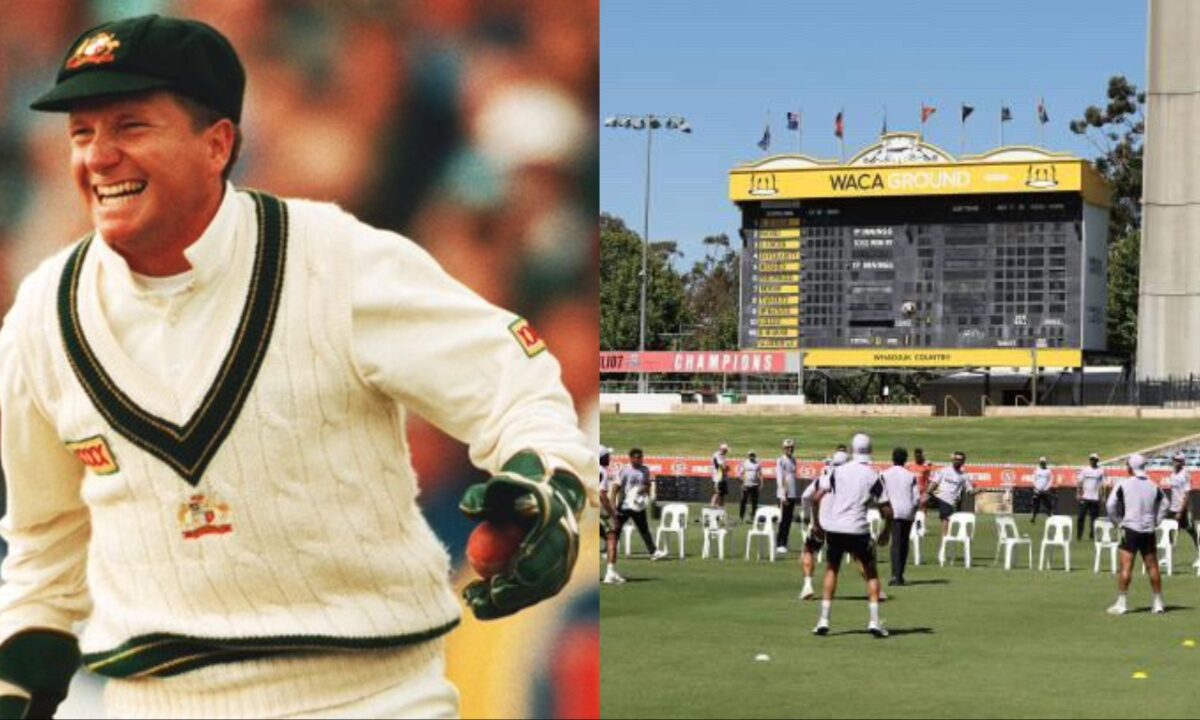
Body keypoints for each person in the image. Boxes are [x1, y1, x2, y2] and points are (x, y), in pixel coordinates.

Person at [0, 14, 591, 720]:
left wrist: (548, 488)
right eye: (81, 133)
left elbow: (512, 378)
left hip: (362, 700)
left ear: (218, 143)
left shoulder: (336, 263)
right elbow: (43, 545)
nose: (98, 157)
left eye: (130, 127)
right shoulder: (43, 312)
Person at [809, 434, 892, 638]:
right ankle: (874, 621)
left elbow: (815, 497)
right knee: (871, 572)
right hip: (858, 529)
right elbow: (886, 509)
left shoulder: (837, 471)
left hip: (835, 528)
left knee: (831, 569)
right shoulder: (873, 475)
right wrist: (886, 530)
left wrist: (817, 524)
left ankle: (823, 620)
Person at [1105, 454, 1168, 615]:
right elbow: (1165, 503)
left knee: (1126, 567)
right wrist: (1156, 521)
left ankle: (1122, 603)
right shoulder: (1153, 485)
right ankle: (1158, 602)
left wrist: (1118, 521)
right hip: (1148, 530)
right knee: (1152, 567)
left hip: (1130, 530)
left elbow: (1110, 505)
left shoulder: (1123, 484)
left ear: (1130, 467)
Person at [614, 448, 669, 562]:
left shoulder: (645, 470)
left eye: (641, 457)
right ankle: (609, 550)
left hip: (638, 504)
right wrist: (615, 503)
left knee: (644, 528)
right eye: (637, 457)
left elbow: (647, 485)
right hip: (625, 504)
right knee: (617, 527)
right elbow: (617, 487)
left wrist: (645, 493)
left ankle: (653, 552)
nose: (639, 459)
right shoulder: (625, 470)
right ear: (631, 458)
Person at [880, 448, 919, 586]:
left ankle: (895, 576)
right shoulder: (911, 475)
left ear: (893, 458)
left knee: (895, 544)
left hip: (893, 510)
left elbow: (882, 495)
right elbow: (916, 499)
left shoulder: (885, 474)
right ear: (905, 459)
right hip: (908, 511)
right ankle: (900, 575)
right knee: (904, 543)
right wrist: (914, 512)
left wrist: (883, 510)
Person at [926, 451, 975, 537]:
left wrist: (981, 490)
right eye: (956, 459)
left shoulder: (963, 476)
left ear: (963, 461)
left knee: (948, 524)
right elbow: (933, 484)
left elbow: (970, 491)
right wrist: (931, 494)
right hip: (943, 500)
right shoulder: (944, 470)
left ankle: (945, 544)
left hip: (953, 503)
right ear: (953, 459)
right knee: (945, 523)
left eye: (960, 459)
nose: (957, 461)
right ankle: (944, 545)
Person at [599, 447, 625, 585]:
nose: (609, 457)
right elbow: (601, 495)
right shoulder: (601, 471)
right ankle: (610, 572)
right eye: (607, 455)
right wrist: (612, 514)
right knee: (612, 537)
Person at [1164, 452, 1198, 554]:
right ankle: (1168, 556)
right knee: (1170, 531)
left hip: (1182, 509)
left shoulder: (1185, 474)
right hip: (1173, 508)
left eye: (1177, 460)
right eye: (1174, 459)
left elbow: (1187, 494)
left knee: (1192, 532)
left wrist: (1181, 511)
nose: (1175, 462)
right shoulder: (1173, 474)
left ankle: (1199, 554)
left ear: (1182, 462)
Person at [775, 438, 799, 554]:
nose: (790, 449)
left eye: (792, 447)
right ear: (783, 449)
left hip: (792, 494)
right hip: (784, 494)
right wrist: (783, 495)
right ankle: (779, 543)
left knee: (789, 520)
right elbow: (780, 478)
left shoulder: (794, 460)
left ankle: (784, 542)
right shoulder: (781, 460)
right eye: (788, 448)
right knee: (783, 520)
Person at [1076, 453, 1106, 540]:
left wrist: (1103, 496)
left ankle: (1092, 535)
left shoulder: (1100, 471)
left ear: (1097, 460)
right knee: (1081, 517)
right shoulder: (1085, 470)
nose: (1092, 461)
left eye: (1094, 459)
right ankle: (1079, 535)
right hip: (1085, 497)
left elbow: (1102, 485)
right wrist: (1078, 493)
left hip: (1095, 498)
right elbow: (1080, 482)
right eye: (1091, 459)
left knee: (1094, 519)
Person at [1030, 456, 1056, 523]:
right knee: (1036, 505)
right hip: (1037, 491)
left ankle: (1050, 517)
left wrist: (1046, 488)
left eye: (1043, 462)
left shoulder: (1048, 471)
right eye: (1041, 462)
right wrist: (1037, 488)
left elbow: (1050, 480)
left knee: (1048, 505)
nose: (1042, 464)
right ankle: (1033, 518)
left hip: (1045, 491)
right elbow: (1033, 479)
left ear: (1045, 463)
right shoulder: (1036, 470)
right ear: (1040, 462)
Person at [739, 450, 763, 523]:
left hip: (755, 485)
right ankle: (741, 517)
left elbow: (760, 474)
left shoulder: (757, 464)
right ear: (748, 455)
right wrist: (743, 483)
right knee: (743, 501)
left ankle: (753, 517)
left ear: (754, 456)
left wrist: (761, 483)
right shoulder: (744, 463)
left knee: (754, 502)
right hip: (746, 485)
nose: (751, 456)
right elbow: (741, 474)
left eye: (752, 455)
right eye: (750, 455)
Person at [909, 447, 933, 511]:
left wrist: (927, 493)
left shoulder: (926, 467)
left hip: (922, 493)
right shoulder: (910, 466)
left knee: (922, 511)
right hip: (912, 492)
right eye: (916, 456)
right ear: (914, 456)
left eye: (919, 456)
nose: (918, 458)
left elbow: (929, 481)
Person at [711, 442, 731, 509]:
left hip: (722, 477)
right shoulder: (717, 455)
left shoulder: (722, 456)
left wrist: (726, 469)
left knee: (722, 494)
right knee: (717, 492)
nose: (726, 452)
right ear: (722, 449)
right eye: (725, 450)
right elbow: (721, 466)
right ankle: (713, 505)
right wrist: (726, 468)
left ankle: (721, 507)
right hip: (718, 477)